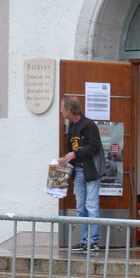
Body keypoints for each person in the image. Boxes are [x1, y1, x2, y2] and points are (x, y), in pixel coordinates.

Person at [59, 96, 104, 252]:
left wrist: (75, 153)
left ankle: (93, 241)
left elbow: (95, 147)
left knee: (91, 206)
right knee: (81, 207)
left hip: (90, 171)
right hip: (77, 170)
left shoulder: (89, 125)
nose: (61, 111)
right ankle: (85, 240)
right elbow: (70, 148)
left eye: (62, 108)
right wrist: (65, 159)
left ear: (70, 110)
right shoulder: (72, 126)